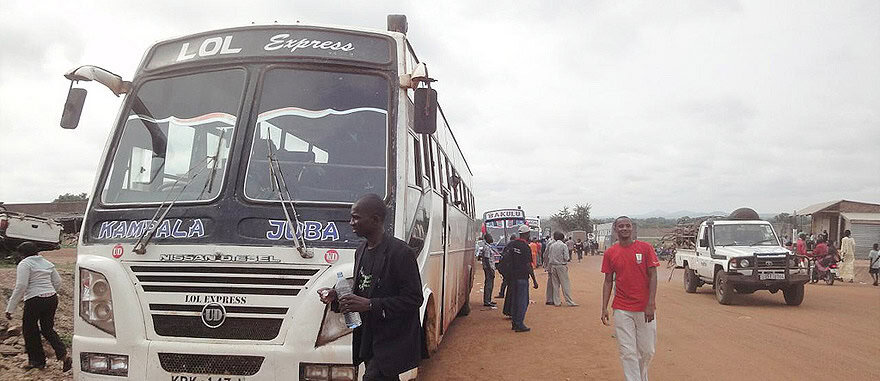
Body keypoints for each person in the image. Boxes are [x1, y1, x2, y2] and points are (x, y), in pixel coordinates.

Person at [317, 194, 423, 380]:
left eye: (356, 217)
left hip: (391, 340)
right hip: (367, 338)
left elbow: (414, 299)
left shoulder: (401, 253)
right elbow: (362, 291)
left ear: (375, 220)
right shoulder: (361, 251)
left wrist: (371, 305)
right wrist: (336, 295)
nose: (351, 222)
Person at [601, 217, 659, 381]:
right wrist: (604, 307)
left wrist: (651, 303)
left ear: (632, 228)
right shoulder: (610, 253)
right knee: (627, 351)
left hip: (644, 308)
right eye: (621, 226)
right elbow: (607, 281)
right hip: (621, 308)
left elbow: (653, 275)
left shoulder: (646, 248)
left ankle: (641, 377)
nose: (624, 228)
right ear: (615, 229)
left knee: (647, 350)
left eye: (627, 226)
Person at [4, 242, 72, 371]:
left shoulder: (24, 264)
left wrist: (10, 308)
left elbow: (21, 286)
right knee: (47, 329)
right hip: (51, 298)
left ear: (22, 254)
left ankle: (37, 361)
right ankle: (64, 355)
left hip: (34, 299)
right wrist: (50, 291)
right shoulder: (47, 263)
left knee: (30, 330)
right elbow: (58, 282)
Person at [499, 224, 539, 332]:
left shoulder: (512, 244)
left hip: (512, 278)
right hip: (522, 277)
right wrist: (534, 280)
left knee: (515, 300)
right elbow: (528, 265)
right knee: (522, 301)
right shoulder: (525, 247)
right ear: (527, 234)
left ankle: (514, 323)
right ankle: (519, 324)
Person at [545, 232, 578, 307]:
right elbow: (566, 257)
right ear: (563, 238)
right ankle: (569, 301)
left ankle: (557, 302)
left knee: (555, 284)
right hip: (561, 266)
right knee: (565, 284)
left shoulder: (552, 245)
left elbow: (549, 256)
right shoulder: (563, 245)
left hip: (553, 266)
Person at [478, 233, 498, 307]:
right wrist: (490, 270)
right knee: (488, 285)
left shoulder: (488, 246)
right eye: (490, 237)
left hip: (490, 268)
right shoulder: (486, 247)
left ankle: (488, 300)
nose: (492, 238)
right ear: (487, 239)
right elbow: (486, 259)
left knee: (490, 284)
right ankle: (487, 301)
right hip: (488, 268)